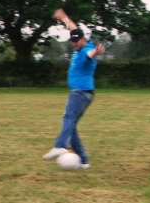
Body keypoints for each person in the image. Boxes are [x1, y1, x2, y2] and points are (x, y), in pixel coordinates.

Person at [42, 9, 106, 170]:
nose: (75, 44)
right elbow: (73, 28)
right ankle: (84, 162)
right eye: (73, 41)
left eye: (77, 41)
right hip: (86, 93)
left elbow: (90, 54)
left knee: (68, 118)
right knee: (72, 125)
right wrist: (64, 18)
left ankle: (60, 145)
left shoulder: (86, 50)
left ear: (84, 40)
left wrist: (96, 52)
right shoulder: (79, 44)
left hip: (80, 92)